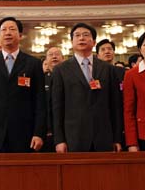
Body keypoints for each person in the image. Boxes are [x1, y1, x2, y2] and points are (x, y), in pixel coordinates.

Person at [0, 17, 46, 152]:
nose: (7, 33)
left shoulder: (33, 63)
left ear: (20, 35)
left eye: (12, 29)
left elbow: (39, 101)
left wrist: (39, 132)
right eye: (4, 30)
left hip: (25, 132)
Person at [52, 23, 123, 152]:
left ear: (94, 42)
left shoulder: (107, 69)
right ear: (72, 42)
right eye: (77, 36)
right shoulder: (61, 70)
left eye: (86, 35)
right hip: (73, 137)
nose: (81, 38)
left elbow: (115, 105)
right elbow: (57, 108)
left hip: (104, 136)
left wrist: (117, 138)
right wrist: (59, 140)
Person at [42, 46, 64, 152]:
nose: (54, 57)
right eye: (51, 55)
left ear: (63, 58)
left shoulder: (69, 77)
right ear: (46, 60)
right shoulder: (42, 79)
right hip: (47, 130)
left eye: (57, 54)